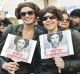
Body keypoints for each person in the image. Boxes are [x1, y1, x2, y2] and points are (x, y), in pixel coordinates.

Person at [0, 2, 44, 74]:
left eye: (30, 13)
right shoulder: (11, 29)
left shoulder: (41, 33)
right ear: (20, 16)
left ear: (35, 14)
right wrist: (4, 64)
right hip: (8, 71)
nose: (27, 15)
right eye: (23, 14)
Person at [38, 6, 80, 74]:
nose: (48, 20)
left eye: (52, 17)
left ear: (57, 19)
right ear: (42, 22)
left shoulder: (72, 35)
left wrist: (65, 64)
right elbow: (39, 64)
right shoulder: (40, 39)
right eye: (44, 18)